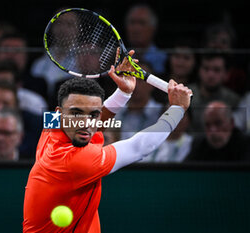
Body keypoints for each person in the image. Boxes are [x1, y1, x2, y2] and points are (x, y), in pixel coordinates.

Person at [23, 50, 192, 232]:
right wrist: (177, 109)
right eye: (76, 113)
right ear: (59, 112)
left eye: (93, 115)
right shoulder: (74, 161)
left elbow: (95, 120)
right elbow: (139, 147)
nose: (86, 123)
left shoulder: (53, 125)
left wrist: (123, 93)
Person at [188, 52, 240, 132]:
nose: (210, 75)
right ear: (199, 71)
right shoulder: (185, 95)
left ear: (226, 74)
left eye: (216, 70)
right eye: (206, 69)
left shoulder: (233, 100)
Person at [185, 101, 250, 162]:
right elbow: (184, 170)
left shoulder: (245, 144)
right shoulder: (199, 145)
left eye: (218, 123)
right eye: (208, 125)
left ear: (231, 123)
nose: (213, 130)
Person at [116, 62, 163, 140]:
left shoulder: (162, 113)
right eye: (130, 78)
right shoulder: (115, 112)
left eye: (140, 80)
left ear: (152, 84)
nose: (134, 84)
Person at [124, 4, 167, 75]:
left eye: (142, 23)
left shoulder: (164, 59)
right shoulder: (119, 58)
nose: (136, 28)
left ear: (153, 28)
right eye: (132, 22)